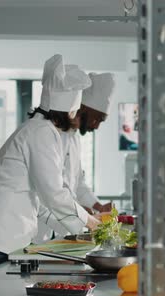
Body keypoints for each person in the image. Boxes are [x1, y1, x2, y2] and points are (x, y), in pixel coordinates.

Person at [0, 54, 103, 275]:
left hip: (0, 243)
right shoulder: (41, 132)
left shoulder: (38, 129)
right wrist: (90, 222)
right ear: (67, 110)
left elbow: (38, 202)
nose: (76, 115)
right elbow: (54, 194)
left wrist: (77, 231)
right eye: (75, 110)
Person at [34, 72, 117, 243]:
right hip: (37, 227)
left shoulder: (74, 138)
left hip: (56, 229)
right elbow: (52, 191)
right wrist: (84, 216)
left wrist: (97, 206)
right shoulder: (45, 134)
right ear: (84, 108)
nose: (96, 125)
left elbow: (77, 183)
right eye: (98, 119)